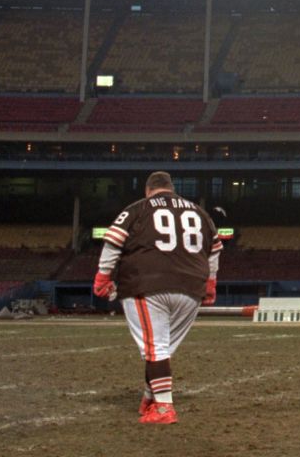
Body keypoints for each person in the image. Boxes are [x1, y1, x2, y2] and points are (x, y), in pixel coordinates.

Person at [92, 171, 221, 424]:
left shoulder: (138, 208)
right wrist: (211, 283)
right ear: (171, 189)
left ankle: (164, 408)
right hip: (190, 287)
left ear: (148, 190)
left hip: (147, 283)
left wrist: (103, 276)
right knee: (162, 348)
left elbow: (113, 242)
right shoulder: (199, 212)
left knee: (155, 348)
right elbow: (215, 249)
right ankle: (150, 397)